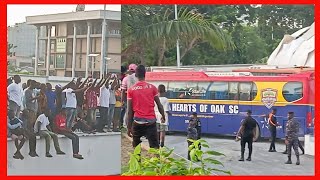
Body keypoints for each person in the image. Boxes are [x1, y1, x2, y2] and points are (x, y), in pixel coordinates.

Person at [127, 65, 166, 149]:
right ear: (145, 74)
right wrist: (163, 116)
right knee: (155, 148)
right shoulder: (152, 88)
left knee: (136, 148)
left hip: (137, 122)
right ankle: (156, 161)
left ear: (136, 75)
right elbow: (159, 105)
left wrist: (129, 127)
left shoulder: (131, 90)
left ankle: (137, 161)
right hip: (151, 122)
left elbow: (130, 111)